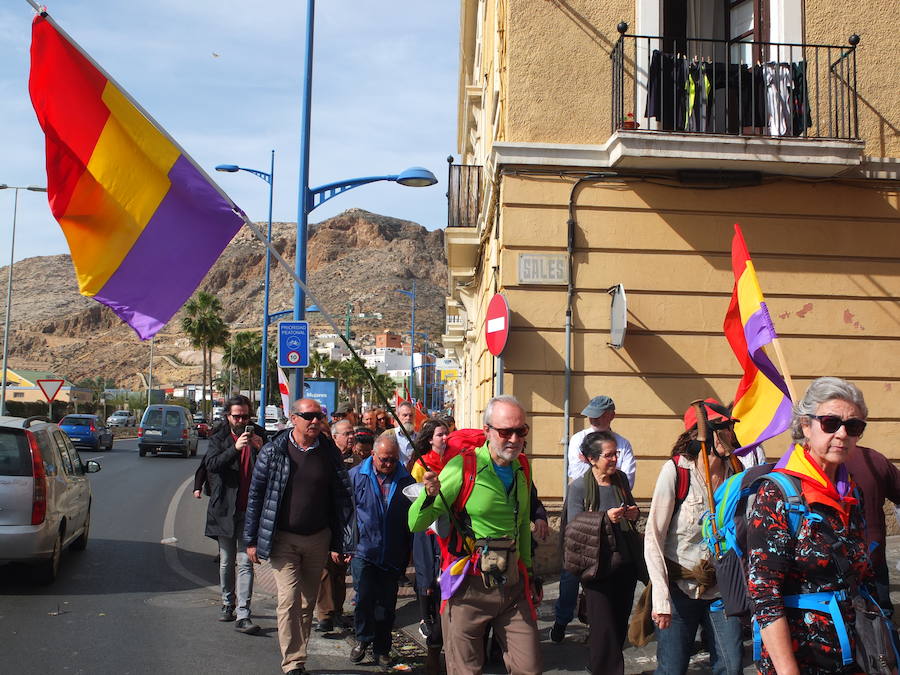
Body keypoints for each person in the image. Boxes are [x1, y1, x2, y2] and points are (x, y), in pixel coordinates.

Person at [747, 377, 873, 674]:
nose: (842, 434)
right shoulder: (778, 493)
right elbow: (764, 593)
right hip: (801, 658)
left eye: (853, 427)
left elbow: (861, 576)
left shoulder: (851, 491)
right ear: (806, 425)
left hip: (854, 655)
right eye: (830, 423)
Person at [408, 395, 542, 675]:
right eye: (506, 432)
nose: (514, 439)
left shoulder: (522, 468)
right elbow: (416, 523)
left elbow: (521, 528)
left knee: (529, 668)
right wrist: (429, 495)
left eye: (521, 431)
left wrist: (530, 572)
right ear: (487, 431)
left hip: (512, 586)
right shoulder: (462, 467)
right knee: (466, 671)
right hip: (467, 588)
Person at [244, 398, 352, 675]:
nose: (315, 421)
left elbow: (342, 498)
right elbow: (256, 496)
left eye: (319, 416)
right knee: (289, 599)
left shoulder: (329, 453)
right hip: (283, 539)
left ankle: (299, 658)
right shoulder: (273, 451)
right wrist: (252, 540)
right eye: (309, 416)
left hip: (318, 538)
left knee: (307, 601)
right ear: (294, 418)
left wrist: (343, 541)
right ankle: (292, 662)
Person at [644, 399, 744, 675]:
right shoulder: (676, 471)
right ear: (702, 434)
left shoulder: (736, 471)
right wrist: (661, 600)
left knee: (731, 666)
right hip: (679, 591)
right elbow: (653, 537)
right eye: (721, 428)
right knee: (672, 669)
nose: (730, 435)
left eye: (730, 428)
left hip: (722, 590)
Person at [553, 394, 637, 643]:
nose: (593, 418)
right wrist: (596, 470)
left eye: (598, 414)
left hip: (615, 513)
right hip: (586, 508)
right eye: (591, 413)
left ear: (611, 415)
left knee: (606, 575)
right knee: (571, 572)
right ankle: (562, 619)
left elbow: (627, 477)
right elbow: (576, 474)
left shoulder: (623, 443)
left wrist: (603, 470)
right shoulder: (578, 439)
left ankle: (596, 626)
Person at [564, 431, 641, 674]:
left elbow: (631, 509)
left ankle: (598, 667)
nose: (614, 459)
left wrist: (633, 513)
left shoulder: (620, 481)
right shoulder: (578, 488)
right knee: (603, 629)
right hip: (596, 567)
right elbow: (574, 526)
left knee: (618, 627)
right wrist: (603, 519)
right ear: (592, 459)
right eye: (608, 455)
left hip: (624, 563)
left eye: (615, 454)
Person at [347, 434, 415, 667]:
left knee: (386, 605)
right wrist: (345, 545)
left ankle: (382, 649)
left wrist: (409, 550)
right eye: (384, 459)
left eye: (393, 460)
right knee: (364, 599)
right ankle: (363, 639)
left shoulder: (406, 479)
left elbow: (412, 518)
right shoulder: (356, 476)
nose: (389, 464)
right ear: (373, 455)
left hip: (392, 551)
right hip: (364, 549)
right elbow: (346, 514)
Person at [204, 395, 266, 634]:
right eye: (236, 416)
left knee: (245, 562)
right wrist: (234, 448)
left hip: (250, 510)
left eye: (245, 416)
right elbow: (211, 464)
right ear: (228, 416)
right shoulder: (218, 437)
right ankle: (227, 603)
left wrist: (261, 448)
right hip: (225, 509)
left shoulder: (260, 435)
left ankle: (243, 613)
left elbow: (272, 464)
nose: (241, 420)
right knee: (227, 560)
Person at [843, 426, 900, 621]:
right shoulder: (875, 459)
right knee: (882, 619)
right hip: (872, 553)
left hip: (837, 562)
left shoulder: (813, 464)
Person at [410, 418, 451, 674]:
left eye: (447, 433)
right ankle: (428, 620)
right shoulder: (420, 464)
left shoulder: (456, 460)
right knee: (427, 582)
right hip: (428, 531)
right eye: (440, 435)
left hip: (450, 531)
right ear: (429, 439)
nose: (445, 438)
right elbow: (416, 499)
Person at [314, 419, 357, 633]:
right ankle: (325, 615)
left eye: (352, 433)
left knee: (340, 569)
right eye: (346, 433)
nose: (351, 437)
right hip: (324, 518)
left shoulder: (358, 460)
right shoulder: (324, 456)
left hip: (346, 520)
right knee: (324, 569)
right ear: (335, 436)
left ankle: (338, 611)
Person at [384, 401, 416, 466]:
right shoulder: (388, 435)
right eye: (405, 415)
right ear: (398, 417)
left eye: (411, 415)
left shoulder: (419, 438)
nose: (408, 418)